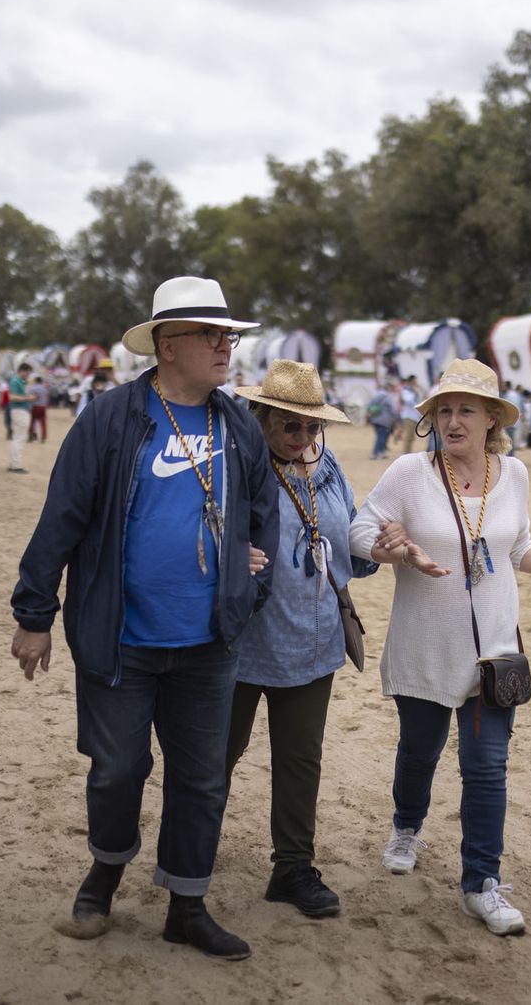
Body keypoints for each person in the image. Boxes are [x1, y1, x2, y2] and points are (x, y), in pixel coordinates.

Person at [10, 276, 275, 961]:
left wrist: (250, 585)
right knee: (117, 768)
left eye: (228, 334)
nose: (225, 345)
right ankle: (104, 872)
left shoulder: (238, 424)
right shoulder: (110, 418)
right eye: (209, 334)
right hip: (121, 636)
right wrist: (35, 613)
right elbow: (62, 516)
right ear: (166, 344)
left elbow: (264, 517)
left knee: (202, 778)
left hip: (209, 642)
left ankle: (187, 903)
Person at [348, 358, 531, 937]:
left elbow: (518, 548)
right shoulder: (410, 472)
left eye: (466, 411)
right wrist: (394, 549)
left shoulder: (515, 474)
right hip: (426, 645)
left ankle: (481, 884)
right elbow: (359, 530)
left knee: (486, 768)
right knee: (419, 752)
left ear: (492, 418)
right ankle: (406, 826)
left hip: (494, 654)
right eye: (444, 411)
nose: (453, 421)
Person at [225, 361, 376, 919]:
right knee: (216, 755)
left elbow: (349, 533)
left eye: (314, 426)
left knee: (300, 760)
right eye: (291, 424)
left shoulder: (327, 464)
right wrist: (228, 554)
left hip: (314, 641)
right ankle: (187, 852)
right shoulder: (234, 463)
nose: (304, 436)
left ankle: (292, 868)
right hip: (241, 642)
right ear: (260, 416)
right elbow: (197, 530)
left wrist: (379, 544)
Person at [6, 363, 32, 473]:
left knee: (17, 438)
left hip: (20, 411)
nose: (28, 376)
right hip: (20, 411)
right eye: (27, 373)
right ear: (22, 371)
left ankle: (13, 463)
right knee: (20, 438)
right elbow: (12, 397)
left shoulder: (19, 381)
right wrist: (28, 398)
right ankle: (16, 465)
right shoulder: (16, 381)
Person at [367, 381, 397, 459]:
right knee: (382, 437)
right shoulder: (388, 397)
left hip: (375, 419)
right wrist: (397, 418)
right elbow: (393, 409)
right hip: (385, 421)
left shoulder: (376, 395)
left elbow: (369, 405)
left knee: (380, 436)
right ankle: (376, 453)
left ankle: (382, 452)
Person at [396, 376, 421, 456]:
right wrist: (414, 392)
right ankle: (406, 453)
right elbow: (409, 401)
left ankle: (408, 452)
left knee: (411, 436)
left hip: (414, 417)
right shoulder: (406, 390)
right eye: (415, 381)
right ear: (411, 382)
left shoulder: (415, 391)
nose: (416, 383)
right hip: (408, 416)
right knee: (408, 436)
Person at [27, 373, 49, 443]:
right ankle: (43, 437)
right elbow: (46, 398)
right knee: (43, 423)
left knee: (32, 422)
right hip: (42, 407)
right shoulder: (44, 389)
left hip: (35, 406)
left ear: (35, 381)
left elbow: (30, 398)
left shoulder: (32, 388)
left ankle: (30, 436)